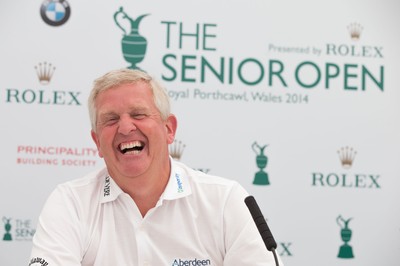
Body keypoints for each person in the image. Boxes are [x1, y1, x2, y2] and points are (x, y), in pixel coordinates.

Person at [29, 69, 283, 266]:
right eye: (111, 119)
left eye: (138, 114)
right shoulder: (71, 202)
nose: (126, 127)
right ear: (97, 141)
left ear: (169, 129)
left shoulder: (226, 200)